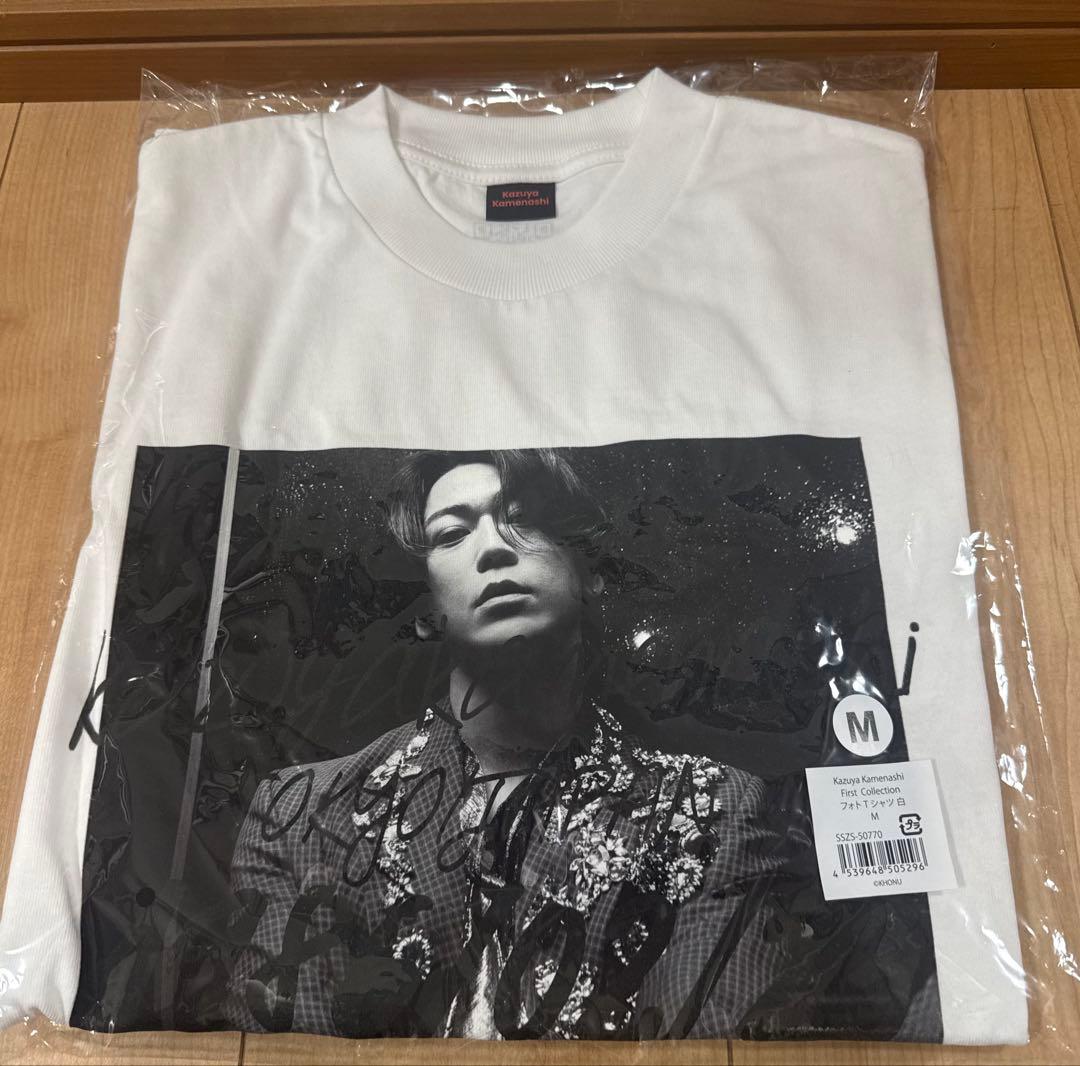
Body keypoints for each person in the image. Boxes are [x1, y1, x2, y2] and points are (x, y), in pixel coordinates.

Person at [224, 448, 785, 1040]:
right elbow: (286, 1052)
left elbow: (703, 1048)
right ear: (423, 609)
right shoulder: (303, 813)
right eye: (452, 534)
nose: (493, 548)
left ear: (591, 572)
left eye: (525, 519)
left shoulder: (712, 808)